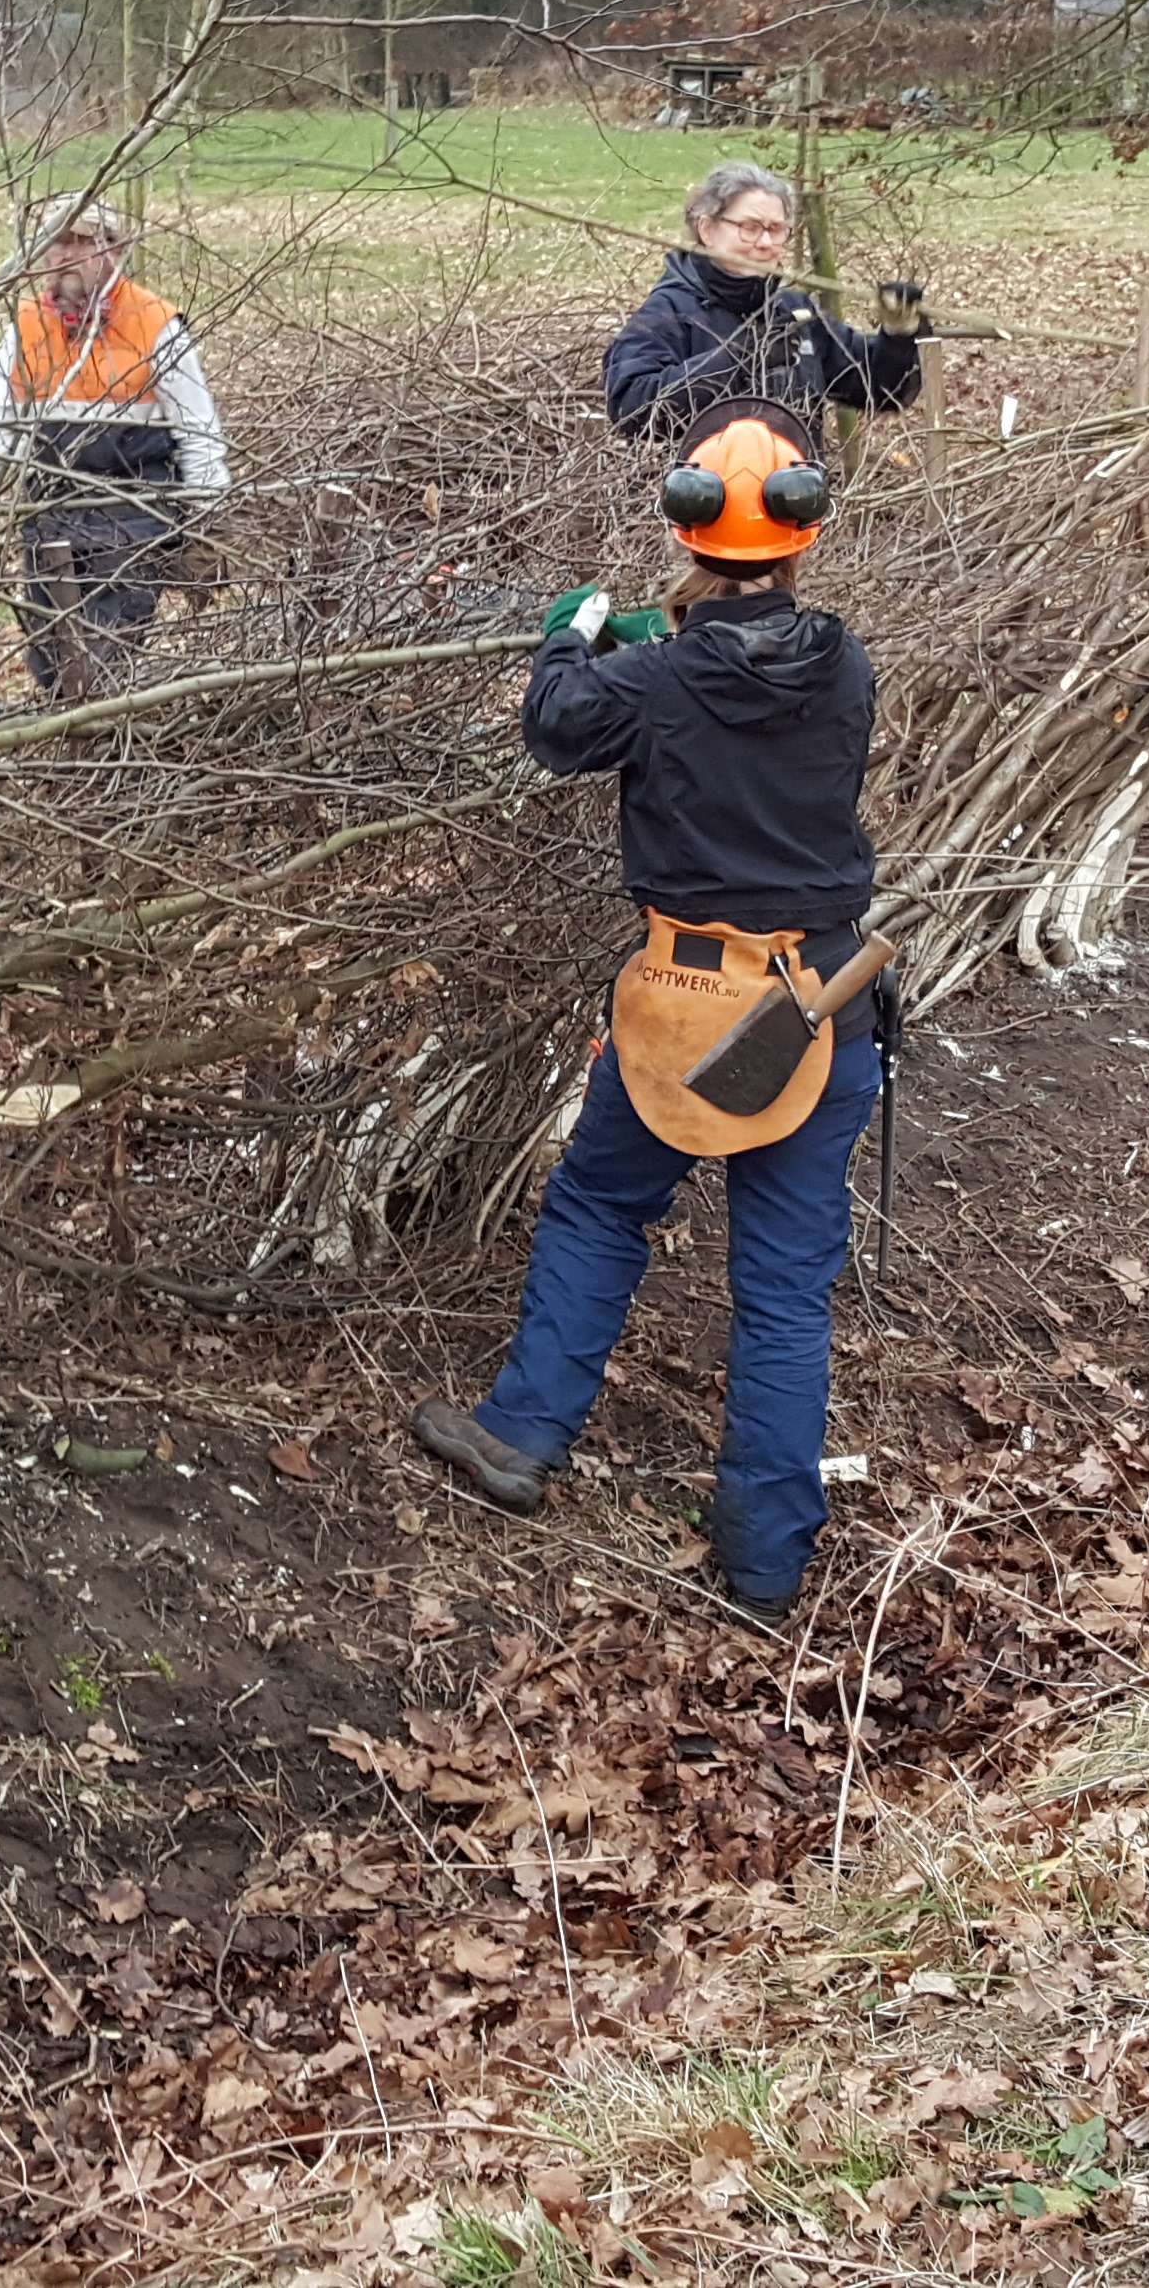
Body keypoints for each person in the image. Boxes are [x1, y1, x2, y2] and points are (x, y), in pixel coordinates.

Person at [409, 400, 886, 1621]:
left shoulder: (652, 681)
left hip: (690, 1008)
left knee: (602, 1202)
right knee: (782, 1290)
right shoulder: (843, 668)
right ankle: (766, 1559)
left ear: (684, 528)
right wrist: (667, 635)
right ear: (804, 530)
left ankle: (519, 1431)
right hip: (815, 1004)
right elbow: (747, 673)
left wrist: (569, 639)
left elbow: (558, 727)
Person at [0, 207, 228, 700]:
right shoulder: (27, 324)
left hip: (132, 516)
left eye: (80, 243)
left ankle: (95, 748)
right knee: (50, 657)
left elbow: (199, 432)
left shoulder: (155, 324)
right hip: (49, 514)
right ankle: (70, 749)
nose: (64, 256)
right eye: (55, 243)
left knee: (103, 656)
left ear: (114, 250)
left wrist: (205, 525)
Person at [602, 163, 926, 446]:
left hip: (795, 506)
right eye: (750, 227)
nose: (766, 243)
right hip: (701, 508)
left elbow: (879, 390)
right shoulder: (669, 310)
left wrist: (899, 335)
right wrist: (742, 358)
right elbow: (633, 408)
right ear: (708, 230)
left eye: (776, 229)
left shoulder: (793, 311)